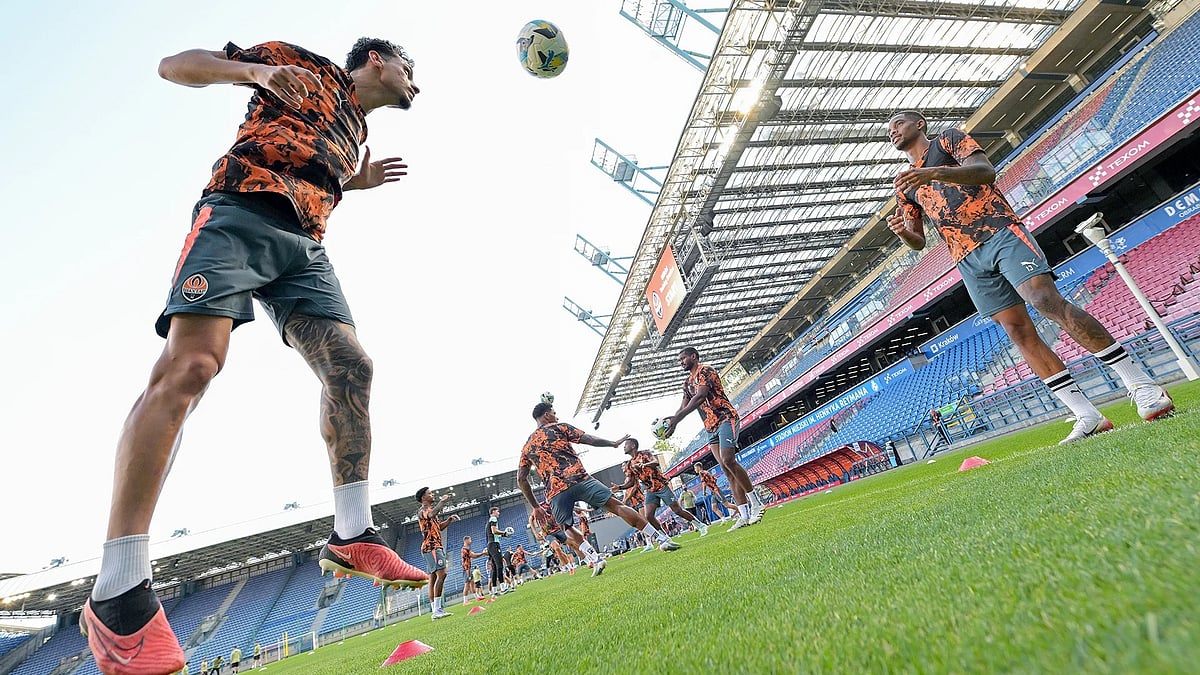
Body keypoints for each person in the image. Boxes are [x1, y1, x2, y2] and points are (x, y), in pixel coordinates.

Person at [79, 36, 429, 675]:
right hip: (240, 209)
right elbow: (173, 65)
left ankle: (352, 534)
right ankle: (118, 591)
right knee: (193, 365)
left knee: (351, 367)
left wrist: (357, 181)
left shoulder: (353, 126)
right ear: (379, 60)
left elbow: (315, 164)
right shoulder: (301, 65)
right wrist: (255, 72)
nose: (419, 83)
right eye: (413, 69)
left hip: (304, 245)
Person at [886, 111, 1176, 443]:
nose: (891, 132)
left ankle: (1141, 384)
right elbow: (918, 240)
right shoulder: (904, 184)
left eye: (898, 124)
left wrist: (935, 172)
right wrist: (903, 234)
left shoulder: (948, 140)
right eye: (889, 130)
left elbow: (985, 172)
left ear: (920, 124)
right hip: (965, 257)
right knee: (1017, 331)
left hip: (1000, 231)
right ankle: (1087, 415)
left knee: (1044, 300)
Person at [517, 402, 680, 579]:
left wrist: (535, 506)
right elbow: (589, 439)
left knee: (566, 527)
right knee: (617, 506)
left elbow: (521, 479)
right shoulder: (559, 427)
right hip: (579, 478)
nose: (556, 416)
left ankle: (595, 559)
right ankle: (661, 539)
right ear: (547, 415)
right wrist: (613, 443)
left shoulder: (527, 447)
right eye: (554, 413)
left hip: (555, 491)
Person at [663, 348, 765, 530]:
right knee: (726, 469)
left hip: (725, 418)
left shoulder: (706, 371)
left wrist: (677, 419)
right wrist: (673, 423)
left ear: (693, 356)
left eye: (683, 358)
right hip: (710, 428)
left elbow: (700, 396)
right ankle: (743, 514)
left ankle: (756, 502)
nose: (681, 362)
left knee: (728, 460)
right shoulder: (687, 383)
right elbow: (683, 406)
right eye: (679, 360)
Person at [614, 438, 708, 540]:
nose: (624, 447)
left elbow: (655, 462)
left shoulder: (644, 454)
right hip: (650, 490)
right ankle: (665, 537)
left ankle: (700, 525)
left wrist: (644, 465)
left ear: (633, 446)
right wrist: (619, 487)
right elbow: (631, 482)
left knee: (677, 510)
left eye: (625, 445)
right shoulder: (629, 464)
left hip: (661, 486)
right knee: (649, 516)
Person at [416, 488, 459, 620]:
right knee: (442, 574)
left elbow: (438, 526)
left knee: (433, 578)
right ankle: (437, 609)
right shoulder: (423, 510)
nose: (432, 494)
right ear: (423, 497)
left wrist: (449, 520)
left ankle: (435, 610)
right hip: (431, 547)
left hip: (433, 547)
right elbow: (431, 514)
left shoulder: (431, 511)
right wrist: (442, 501)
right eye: (430, 493)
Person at [484, 506, 514, 596]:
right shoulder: (493, 519)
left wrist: (504, 535)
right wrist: (504, 532)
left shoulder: (488, 522)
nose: (499, 513)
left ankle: (494, 591)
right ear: (493, 512)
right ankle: (503, 588)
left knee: (494, 568)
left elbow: (494, 534)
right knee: (499, 566)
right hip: (494, 545)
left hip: (490, 545)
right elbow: (494, 531)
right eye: (498, 511)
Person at [460, 536, 488, 605]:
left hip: (468, 568)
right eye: (470, 540)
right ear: (466, 540)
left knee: (472, 583)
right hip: (466, 569)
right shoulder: (465, 549)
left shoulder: (467, 549)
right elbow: (474, 555)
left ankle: (477, 597)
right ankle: (465, 601)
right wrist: (483, 553)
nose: (471, 541)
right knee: (467, 584)